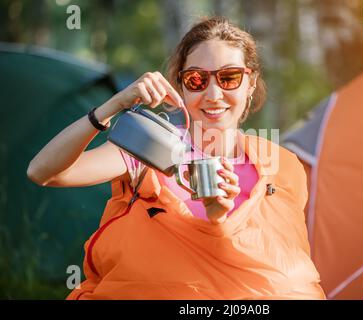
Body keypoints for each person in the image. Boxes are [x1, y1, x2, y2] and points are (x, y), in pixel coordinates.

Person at [27, 16, 325, 300]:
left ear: (251, 83)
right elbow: (43, 171)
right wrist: (112, 106)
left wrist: (218, 219)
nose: (213, 94)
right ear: (180, 85)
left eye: (229, 78)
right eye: (197, 79)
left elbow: (286, 272)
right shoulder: (147, 149)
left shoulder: (281, 164)